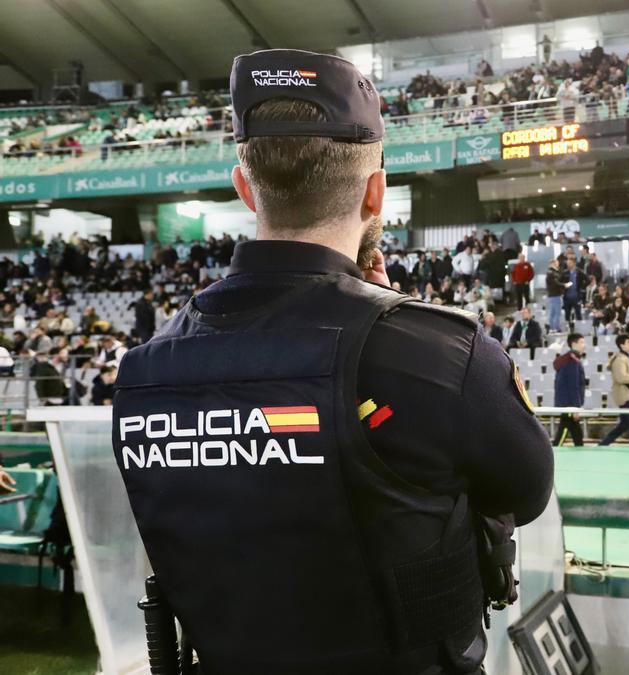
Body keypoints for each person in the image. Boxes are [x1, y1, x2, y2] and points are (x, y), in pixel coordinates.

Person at [111, 50, 554, 675]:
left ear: (244, 187)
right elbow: (524, 492)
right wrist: (392, 320)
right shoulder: (440, 353)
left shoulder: (144, 374)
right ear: (376, 192)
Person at [599, 334, 629, 446]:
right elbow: (621, 377)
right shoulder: (619, 359)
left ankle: (604, 444)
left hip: (626, 395)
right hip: (626, 396)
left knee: (624, 425)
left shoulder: (622, 358)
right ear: (622, 345)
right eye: (628, 342)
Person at [553, 333, 587, 447]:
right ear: (573, 344)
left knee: (576, 434)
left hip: (566, 403)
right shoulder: (572, 361)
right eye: (581, 342)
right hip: (569, 404)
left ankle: (579, 450)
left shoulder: (568, 359)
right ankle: (554, 452)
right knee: (563, 433)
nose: (584, 345)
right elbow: (574, 386)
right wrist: (576, 408)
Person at [544, 258, 565, 332]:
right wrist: (564, 285)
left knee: (552, 312)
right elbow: (556, 284)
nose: (558, 264)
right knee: (557, 313)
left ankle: (552, 327)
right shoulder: (552, 273)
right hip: (555, 295)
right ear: (553, 263)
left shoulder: (550, 272)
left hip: (552, 295)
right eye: (556, 263)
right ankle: (556, 327)